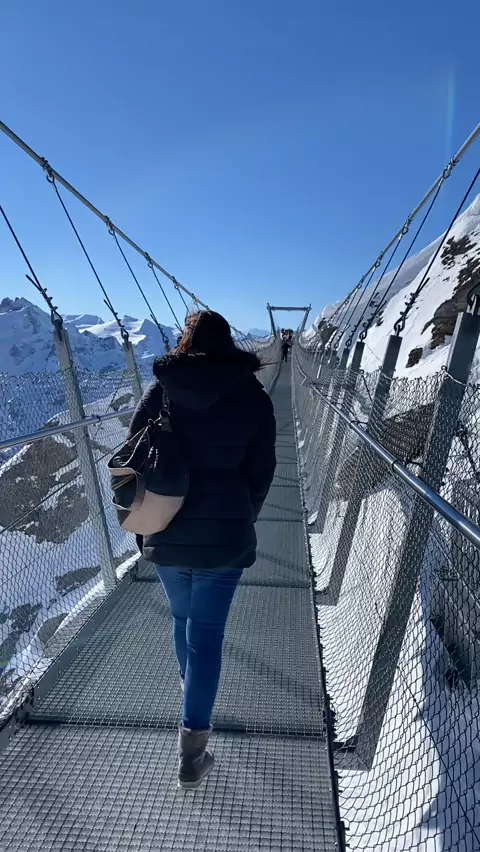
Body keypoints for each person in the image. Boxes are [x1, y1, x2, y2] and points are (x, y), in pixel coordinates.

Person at [128, 310, 276, 789]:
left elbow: (133, 457)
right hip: (226, 533)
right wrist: (244, 515)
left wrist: (142, 527)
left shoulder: (161, 391)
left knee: (182, 619)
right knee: (206, 634)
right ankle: (191, 755)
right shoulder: (253, 396)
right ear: (230, 343)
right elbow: (262, 470)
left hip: (165, 525)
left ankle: (190, 688)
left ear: (184, 341)